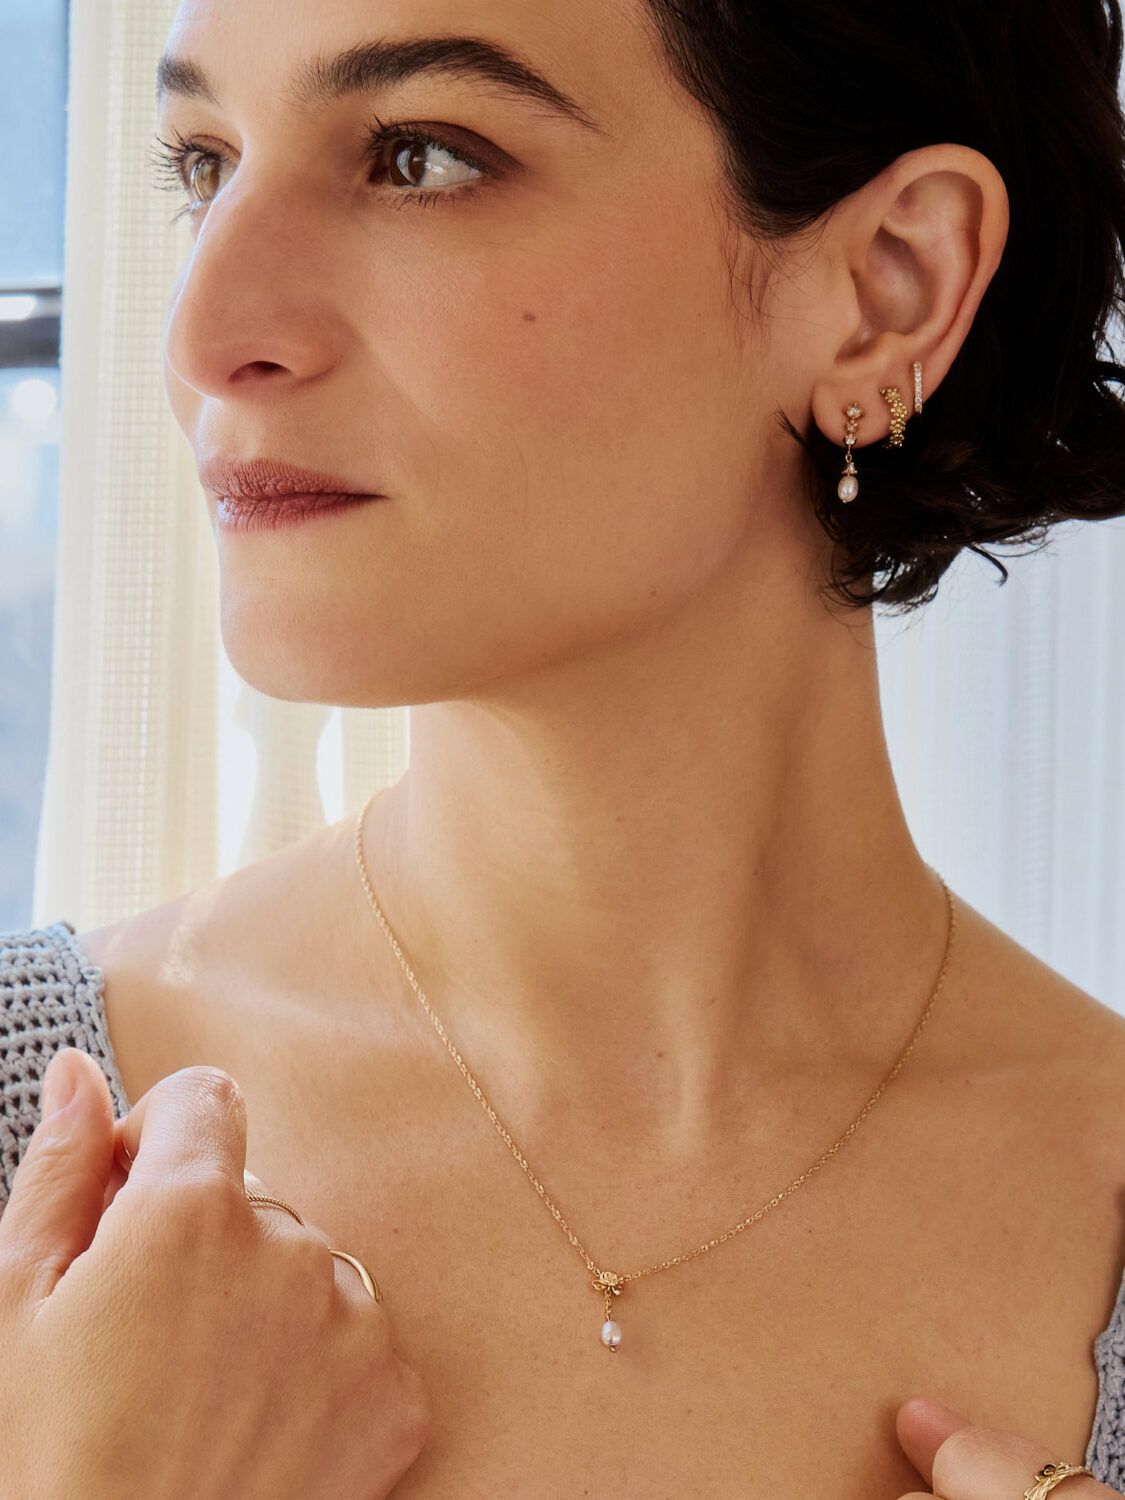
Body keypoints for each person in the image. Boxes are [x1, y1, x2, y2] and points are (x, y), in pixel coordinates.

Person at [4, 0, 1125, 1494]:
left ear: (884, 289)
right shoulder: (31, 1142)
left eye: (419, 156)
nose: (206, 336)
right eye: (204, 164)